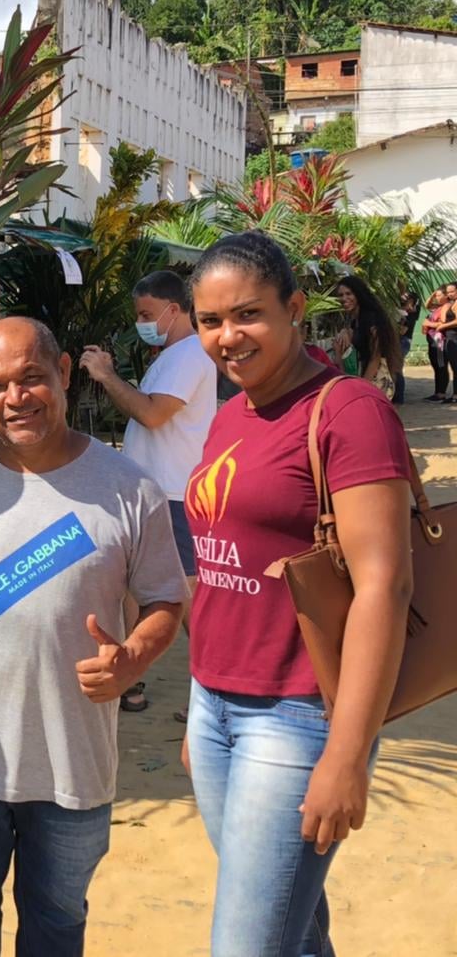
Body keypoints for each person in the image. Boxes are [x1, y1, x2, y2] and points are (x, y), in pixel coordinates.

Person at [0, 316, 188, 956]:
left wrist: (134, 657)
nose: (15, 398)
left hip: (73, 757)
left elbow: (165, 599)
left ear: (65, 372)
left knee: (56, 919)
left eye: (31, 378)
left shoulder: (129, 488)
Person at [183, 231, 413, 956]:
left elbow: (384, 585)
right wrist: (202, 705)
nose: (228, 337)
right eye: (210, 321)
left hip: (297, 713)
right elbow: (223, 567)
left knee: (248, 945)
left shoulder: (348, 411)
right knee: (296, 930)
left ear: (294, 308)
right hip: (215, 706)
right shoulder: (231, 413)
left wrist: (347, 753)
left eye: (247, 314)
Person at [79, 270, 216, 714]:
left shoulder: (189, 355)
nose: (141, 323)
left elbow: (153, 414)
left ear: (174, 310)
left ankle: (219, 691)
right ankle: (129, 679)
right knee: (131, 588)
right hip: (154, 492)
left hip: (174, 493)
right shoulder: (174, 355)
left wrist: (106, 377)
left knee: (188, 597)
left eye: (146, 314)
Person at [330, 276, 403, 400]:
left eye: (349, 294)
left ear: (358, 294)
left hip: (374, 381)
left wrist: (363, 387)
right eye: (341, 295)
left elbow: (375, 358)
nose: (344, 298)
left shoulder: (371, 319)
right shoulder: (355, 320)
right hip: (363, 376)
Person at [421, 283, 457, 403]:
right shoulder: (440, 306)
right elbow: (427, 305)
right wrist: (433, 294)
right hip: (440, 339)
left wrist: (430, 324)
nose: (436, 297)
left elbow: (443, 322)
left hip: (442, 340)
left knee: (443, 366)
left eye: (439, 295)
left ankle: (443, 393)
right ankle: (441, 393)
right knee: (439, 366)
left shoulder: (447, 306)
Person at [394, 289, 421, 403]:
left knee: (397, 369)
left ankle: (399, 397)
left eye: (407, 299)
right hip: (402, 341)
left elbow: (402, 331)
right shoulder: (404, 312)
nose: (403, 300)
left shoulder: (410, 315)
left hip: (403, 341)